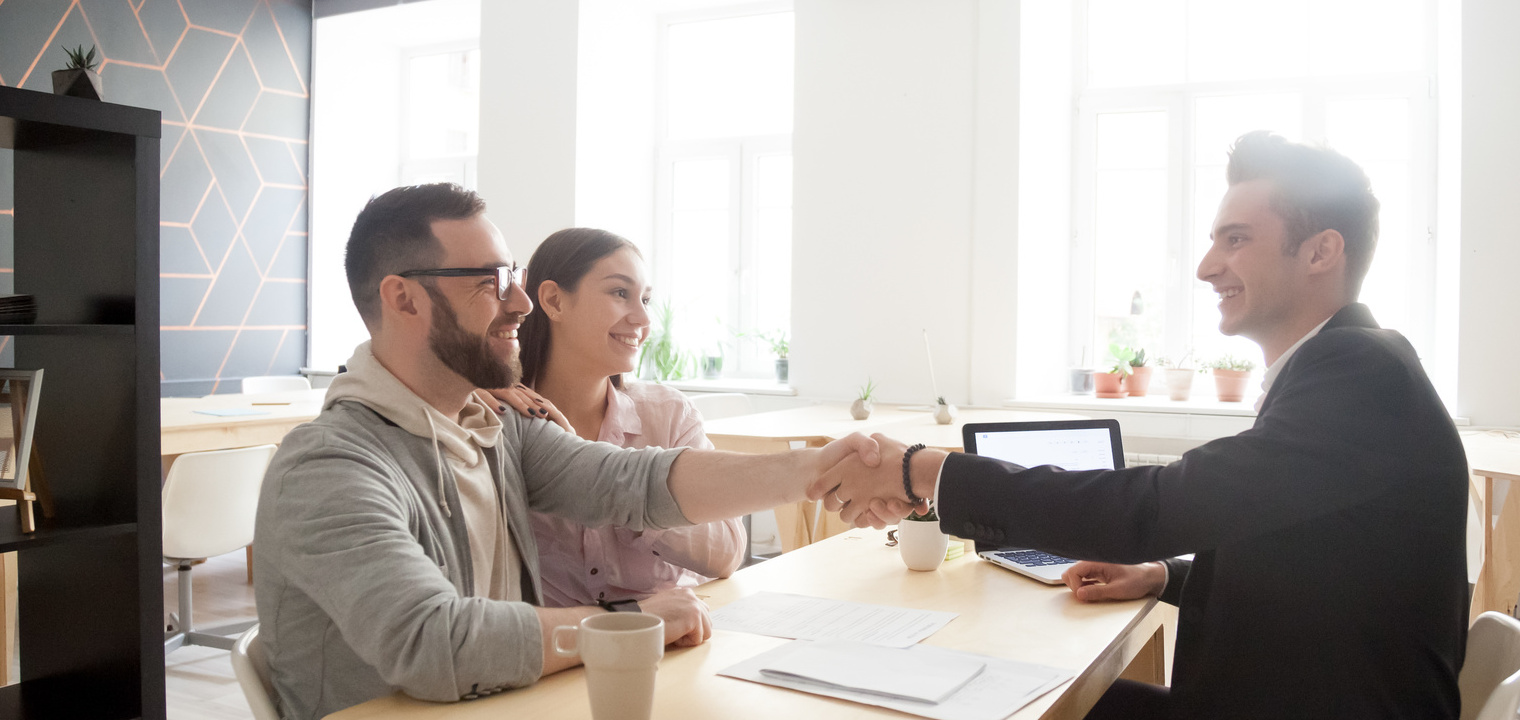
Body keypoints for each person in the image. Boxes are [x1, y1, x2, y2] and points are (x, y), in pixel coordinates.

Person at [819, 132, 1468, 719]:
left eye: (1236, 238)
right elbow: (1295, 553)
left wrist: (928, 469)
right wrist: (1161, 578)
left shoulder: (1359, 374)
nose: (1207, 266)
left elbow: (1153, 509)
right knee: (1022, 692)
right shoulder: (1346, 367)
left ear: (1321, 251)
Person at [253, 183, 872, 720]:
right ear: (404, 298)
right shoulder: (329, 467)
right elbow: (433, 642)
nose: (519, 302)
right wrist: (632, 624)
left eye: (514, 276)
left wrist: (817, 470)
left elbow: (634, 482)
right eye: (491, 281)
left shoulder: (495, 426)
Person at [492, 227, 745, 607]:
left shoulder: (668, 415)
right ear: (554, 301)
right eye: (620, 293)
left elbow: (728, 553)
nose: (643, 318)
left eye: (645, 299)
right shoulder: (498, 420)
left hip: (672, 643)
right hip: (559, 656)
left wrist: (630, 492)